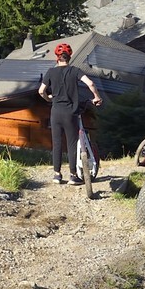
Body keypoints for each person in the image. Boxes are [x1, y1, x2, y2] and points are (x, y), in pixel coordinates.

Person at [37, 42, 102, 185]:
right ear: (69, 57)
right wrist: (97, 97)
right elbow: (90, 83)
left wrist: (48, 98)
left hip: (55, 112)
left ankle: (57, 175)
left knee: (57, 143)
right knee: (72, 143)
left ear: (57, 57)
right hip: (70, 112)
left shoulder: (50, 72)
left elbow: (41, 91)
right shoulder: (75, 71)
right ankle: (73, 175)